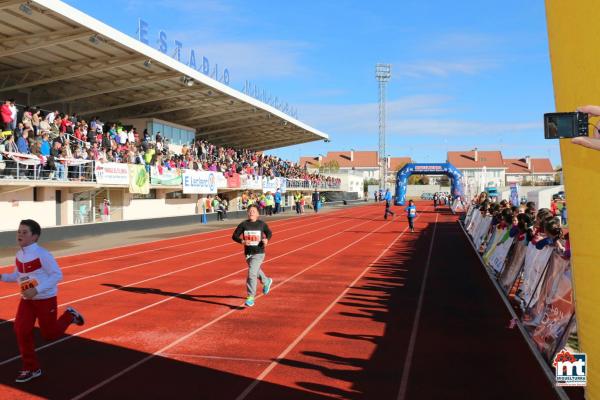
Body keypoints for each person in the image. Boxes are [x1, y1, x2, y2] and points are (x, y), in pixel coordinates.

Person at [0, 219, 84, 383]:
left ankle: (69, 316)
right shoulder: (19, 255)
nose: (20, 235)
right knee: (21, 330)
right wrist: (2, 276)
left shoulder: (43, 254)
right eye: (19, 231)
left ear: (35, 236)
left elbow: (57, 275)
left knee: (49, 334)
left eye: (24, 232)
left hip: (45, 299)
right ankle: (31, 368)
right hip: (27, 300)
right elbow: (16, 276)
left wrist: (36, 290)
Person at [231, 204, 273, 307]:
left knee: (251, 273)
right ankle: (266, 281)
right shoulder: (243, 224)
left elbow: (269, 233)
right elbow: (234, 236)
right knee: (255, 270)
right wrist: (242, 241)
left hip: (259, 252)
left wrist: (266, 239)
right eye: (249, 211)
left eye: (254, 211)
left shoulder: (262, 224)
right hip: (248, 254)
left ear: (258, 214)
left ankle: (250, 296)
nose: (251, 213)